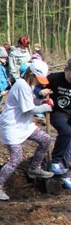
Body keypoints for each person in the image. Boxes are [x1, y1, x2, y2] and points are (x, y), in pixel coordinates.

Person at [0, 59, 55, 201]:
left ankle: (34, 168)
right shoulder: (22, 85)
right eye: (38, 78)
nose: (39, 81)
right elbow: (28, 109)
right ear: (31, 74)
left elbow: (31, 103)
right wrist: (44, 108)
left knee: (46, 140)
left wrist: (42, 101)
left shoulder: (28, 86)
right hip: (12, 126)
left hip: (24, 125)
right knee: (16, 159)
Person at [47, 58, 71, 189]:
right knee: (67, 131)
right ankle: (55, 161)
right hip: (57, 112)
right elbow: (36, 85)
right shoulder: (54, 78)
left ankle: (64, 171)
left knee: (69, 141)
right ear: (65, 70)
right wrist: (40, 93)